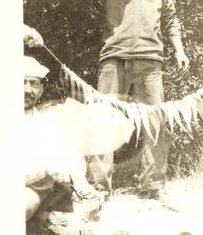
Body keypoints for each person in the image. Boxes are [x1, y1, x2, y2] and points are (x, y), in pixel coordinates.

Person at [68, 0, 189, 196]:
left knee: (156, 121)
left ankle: (152, 185)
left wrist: (179, 49)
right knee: (103, 121)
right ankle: (99, 187)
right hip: (114, 58)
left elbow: (170, 18)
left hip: (150, 60)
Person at [24, 56, 133, 221]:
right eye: (22, 83)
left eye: (33, 84)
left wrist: (81, 182)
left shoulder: (44, 118)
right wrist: (48, 169)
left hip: (35, 190)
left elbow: (64, 151)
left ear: (41, 90)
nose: (27, 90)